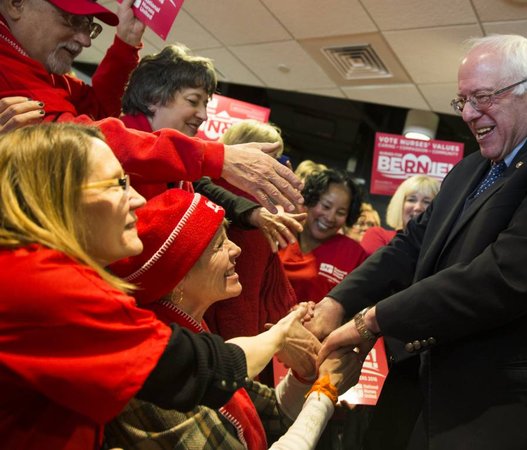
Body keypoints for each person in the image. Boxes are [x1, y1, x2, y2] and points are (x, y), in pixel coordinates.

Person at [309, 34, 527, 449]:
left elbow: (509, 274)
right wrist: (335, 304)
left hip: (512, 411)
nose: (467, 113)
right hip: (421, 396)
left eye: (482, 97)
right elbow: (409, 246)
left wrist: (370, 320)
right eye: (461, 100)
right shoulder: (468, 170)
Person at [0, 123, 310, 450]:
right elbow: (196, 366)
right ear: (59, 195)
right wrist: (282, 334)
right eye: (117, 184)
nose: (136, 199)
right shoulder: (45, 284)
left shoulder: (33, 272)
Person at [105, 188, 362, 450]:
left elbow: (274, 414)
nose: (236, 249)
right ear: (177, 278)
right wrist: (324, 395)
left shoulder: (193, 330)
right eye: (218, 244)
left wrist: (303, 375)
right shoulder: (160, 365)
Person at [0, 0, 304, 213]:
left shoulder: (41, 74)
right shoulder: (10, 74)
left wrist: (125, 44)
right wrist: (214, 157)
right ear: (16, 3)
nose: (85, 39)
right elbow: (78, 141)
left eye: (88, 26)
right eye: (72, 19)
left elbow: (95, 111)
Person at [120, 44, 305, 251]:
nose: (203, 115)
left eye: (205, 104)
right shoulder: (114, 154)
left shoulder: (181, 166)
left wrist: (253, 213)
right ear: (153, 98)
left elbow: (202, 187)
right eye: (193, 101)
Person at [203, 119, 301, 342]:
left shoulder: (205, 190)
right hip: (229, 341)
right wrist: (242, 361)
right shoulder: (252, 211)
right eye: (273, 160)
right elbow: (240, 298)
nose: (279, 168)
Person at [279, 168, 368, 303]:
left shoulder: (354, 254)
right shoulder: (280, 235)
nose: (330, 217)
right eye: (326, 206)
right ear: (309, 201)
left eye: (341, 212)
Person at [361, 175, 439, 255]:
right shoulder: (379, 236)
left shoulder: (440, 246)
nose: (418, 207)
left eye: (427, 202)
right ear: (400, 204)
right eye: (411, 200)